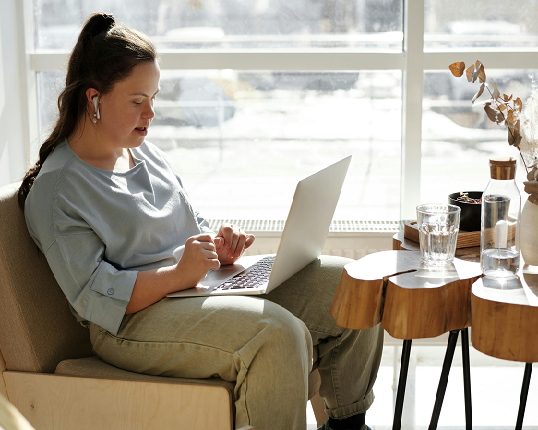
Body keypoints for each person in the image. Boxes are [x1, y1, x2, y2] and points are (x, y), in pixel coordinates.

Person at [19, 12, 383, 430]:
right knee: (276, 334)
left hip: (194, 289)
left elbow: (192, 226)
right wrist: (178, 275)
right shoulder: (58, 190)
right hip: (130, 323)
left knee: (353, 287)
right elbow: (95, 299)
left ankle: (349, 426)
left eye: (154, 98)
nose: (150, 113)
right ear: (94, 98)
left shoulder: (145, 153)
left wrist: (218, 246)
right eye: (138, 101)